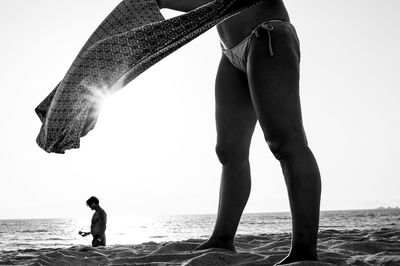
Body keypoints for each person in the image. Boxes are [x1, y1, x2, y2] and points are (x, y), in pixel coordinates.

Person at [158, 0, 322, 264]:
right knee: (229, 150)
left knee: (284, 142)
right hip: (230, 52)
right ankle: (222, 238)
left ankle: (304, 250)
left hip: (267, 35)